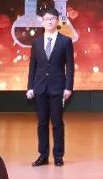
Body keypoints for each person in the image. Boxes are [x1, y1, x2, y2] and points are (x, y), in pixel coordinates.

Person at [26, 9, 75, 167]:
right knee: (42, 123)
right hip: (40, 88)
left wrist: (68, 87)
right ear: (42, 22)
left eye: (52, 18)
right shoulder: (36, 42)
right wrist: (30, 87)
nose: (49, 21)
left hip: (58, 88)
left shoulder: (65, 41)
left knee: (57, 123)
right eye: (46, 19)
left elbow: (70, 67)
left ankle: (58, 156)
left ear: (57, 21)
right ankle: (43, 155)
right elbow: (33, 66)